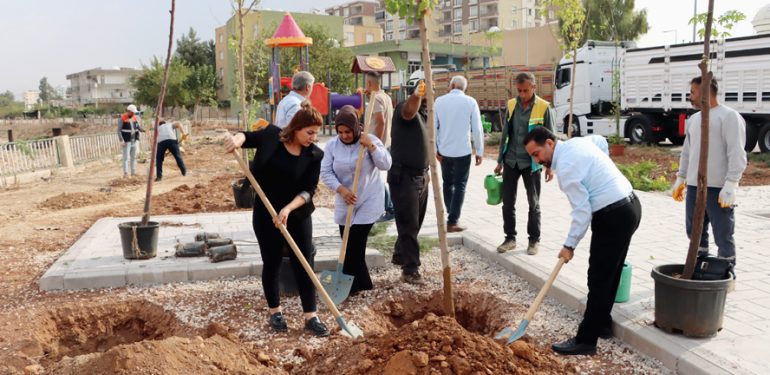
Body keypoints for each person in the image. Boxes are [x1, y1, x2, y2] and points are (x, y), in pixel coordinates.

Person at [523, 126, 642, 355]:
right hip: (631, 206)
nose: (537, 161)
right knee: (610, 271)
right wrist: (601, 172)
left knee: (598, 278)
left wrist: (569, 245)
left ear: (549, 143)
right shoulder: (577, 143)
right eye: (533, 157)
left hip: (612, 215)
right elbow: (600, 142)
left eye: (537, 154)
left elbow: (582, 212)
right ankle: (603, 323)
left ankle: (586, 340)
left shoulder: (567, 169)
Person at [223, 100, 329, 337]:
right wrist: (237, 139)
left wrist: (288, 209)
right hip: (266, 212)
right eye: (309, 132)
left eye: (316, 133)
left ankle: (311, 316)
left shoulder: (314, 154)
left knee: (304, 263)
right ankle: (276, 312)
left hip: (297, 214)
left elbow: (309, 190)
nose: (313, 137)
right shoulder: (272, 136)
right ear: (296, 128)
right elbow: (247, 137)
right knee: (271, 262)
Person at [672, 76, 746, 264]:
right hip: (694, 186)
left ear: (705, 92)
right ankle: (699, 264)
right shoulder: (694, 119)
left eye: (693, 92)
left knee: (723, 233)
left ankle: (726, 269)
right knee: (694, 231)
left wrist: (731, 183)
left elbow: (736, 151)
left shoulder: (729, 117)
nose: (690, 96)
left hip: (718, 188)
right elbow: (687, 151)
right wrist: (681, 177)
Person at [321, 105, 392, 294]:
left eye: (348, 131)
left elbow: (386, 164)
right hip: (345, 200)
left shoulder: (369, 140)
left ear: (355, 128)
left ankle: (347, 287)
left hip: (369, 198)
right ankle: (364, 283)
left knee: (355, 244)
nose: (344, 136)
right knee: (347, 243)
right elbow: (325, 172)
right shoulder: (332, 145)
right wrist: (341, 189)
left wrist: (371, 146)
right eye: (340, 132)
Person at [495, 72, 555, 255]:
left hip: (532, 164)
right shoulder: (511, 105)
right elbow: (505, 134)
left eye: (525, 91)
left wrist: (550, 166)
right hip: (511, 161)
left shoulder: (544, 107)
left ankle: (534, 240)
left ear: (534, 87)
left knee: (533, 203)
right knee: (508, 202)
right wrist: (500, 160)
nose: (522, 94)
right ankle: (510, 238)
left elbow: (551, 139)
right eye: (519, 91)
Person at [389, 80, 430, 284]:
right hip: (404, 176)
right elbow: (408, 111)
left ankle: (400, 254)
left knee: (415, 221)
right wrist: (416, 95)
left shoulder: (424, 113)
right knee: (409, 224)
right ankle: (410, 269)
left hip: (421, 176)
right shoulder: (403, 109)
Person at [434, 75, 484, 232]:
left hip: (444, 151)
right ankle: (453, 221)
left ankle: (451, 213)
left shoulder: (439, 101)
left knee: (447, 183)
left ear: (452, 85)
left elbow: (433, 127)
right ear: (464, 88)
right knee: (460, 185)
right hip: (463, 151)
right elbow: (477, 129)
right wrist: (479, 151)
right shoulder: (470, 102)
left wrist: (435, 149)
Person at [364, 72, 396, 223]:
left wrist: (376, 143)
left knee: (374, 178)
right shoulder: (386, 97)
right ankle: (387, 207)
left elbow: (380, 121)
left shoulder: (376, 98)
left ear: (369, 83)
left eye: (366, 82)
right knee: (376, 177)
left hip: (376, 144)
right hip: (386, 141)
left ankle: (389, 208)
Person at [117, 104, 144, 177]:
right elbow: (118, 131)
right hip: (126, 141)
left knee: (133, 157)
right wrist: (121, 140)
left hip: (133, 140)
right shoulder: (122, 118)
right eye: (132, 112)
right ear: (129, 111)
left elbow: (138, 127)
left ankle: (133, 173)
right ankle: (125, 173)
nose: (134, 113)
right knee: (126, 158)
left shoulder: (134, 117)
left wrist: (143, 130)